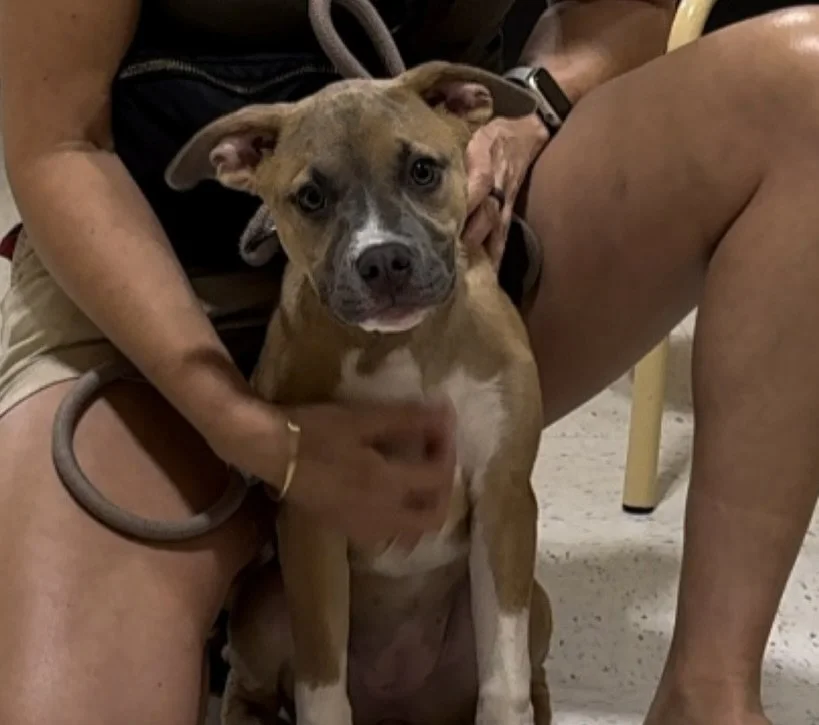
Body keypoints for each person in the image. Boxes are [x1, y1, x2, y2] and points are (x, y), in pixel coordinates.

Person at [0, 0, 817, 722]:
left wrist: (531, 99)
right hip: (152, 283)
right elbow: (56, 140)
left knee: (804, 84)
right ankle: (246, 637)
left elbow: (626, 7)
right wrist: (250, 432)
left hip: (457, 238)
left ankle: (708, 692)